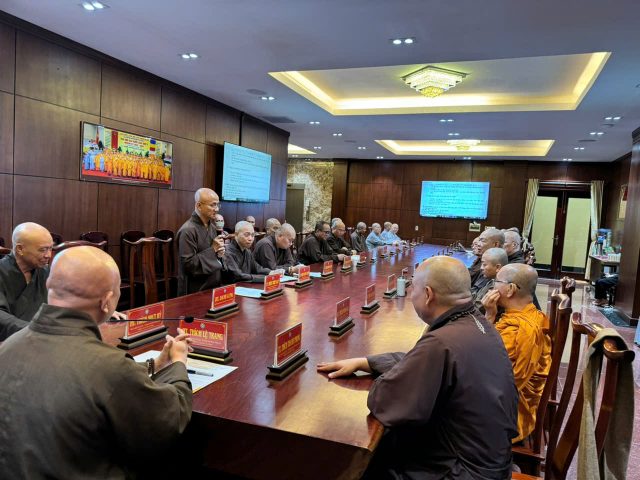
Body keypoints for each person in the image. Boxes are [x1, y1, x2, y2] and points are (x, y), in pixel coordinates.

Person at [0, 246, 193, 478]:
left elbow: (72, 375)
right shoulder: (109, 365)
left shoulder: (7, 347)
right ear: (107, 301)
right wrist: (178, 363)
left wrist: (155, 364)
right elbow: (168, 421)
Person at [317, 256, 518, 478]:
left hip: (460, 470)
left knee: (362, 460)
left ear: (428, 294)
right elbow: (418, 362)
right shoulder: (476, 322)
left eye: (414, 288)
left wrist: (385, 378)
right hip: (491, 460)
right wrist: (366, 363)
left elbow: (385, 401)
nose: (412, 294)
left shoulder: (441, 342)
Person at [482, 263, 551, 443]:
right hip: (509, 397)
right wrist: (491, 315)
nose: (492, 287)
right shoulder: (532, 314)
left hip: (510, 414)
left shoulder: (518, 331)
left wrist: (488, 317)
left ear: (510, 289)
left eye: (496, 282)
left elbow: (485, 371)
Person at [0, 222, 53, 341]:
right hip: (8, 342)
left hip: (43, 338)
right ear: (20, 249)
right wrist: (32, 330)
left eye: (50, 248)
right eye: (43, 250)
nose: (48, 255)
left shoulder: (46, 272)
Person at [175, 188, 226, 295]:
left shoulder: (212, 227)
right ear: (199, 206)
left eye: (218, 205)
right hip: (195, 289)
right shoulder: (187, 231)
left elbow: (217, 259)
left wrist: (220, 255)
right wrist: (213, 250)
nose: (217, 209)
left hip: (213, 285)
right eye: (213, 205)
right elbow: (188, 265)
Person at [472, 247, 508, 313]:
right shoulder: (491, 280)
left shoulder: (497, 289)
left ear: (497, 267)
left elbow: (479, 310)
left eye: (484, 264)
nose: (481, 268)